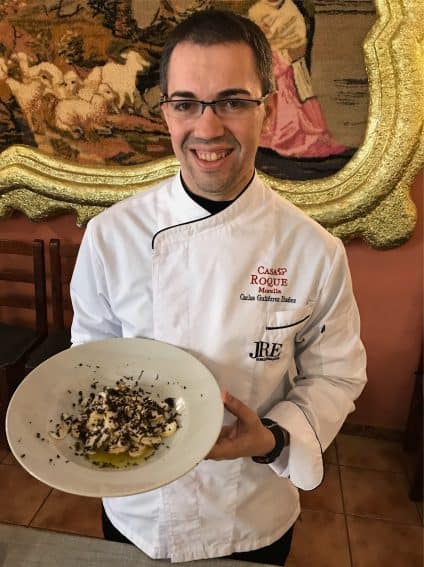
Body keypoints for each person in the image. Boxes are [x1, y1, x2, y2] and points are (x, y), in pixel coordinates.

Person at [70, 9, 367, 565]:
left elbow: (337, 372)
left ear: (270, 108)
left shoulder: (313, 250)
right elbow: (91, 357)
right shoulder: (112, 236)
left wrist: (275, 439)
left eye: (232, 101)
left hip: (249, 514)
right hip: (137, 508)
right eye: (185, 103)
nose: (207, 129)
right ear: (166, 113)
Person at [248, 0, 347, 158]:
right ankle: (266, 131)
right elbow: (253, 37)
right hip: (265, 57)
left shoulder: (290, 9)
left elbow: (298, 38)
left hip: (287, 59)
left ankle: (287, 134)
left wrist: (280, 51)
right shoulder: (256, 10)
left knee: (285, 89)